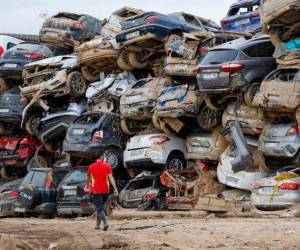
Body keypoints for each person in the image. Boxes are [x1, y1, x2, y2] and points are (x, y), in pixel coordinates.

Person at [86, 154, 118, 230]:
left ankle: (105, 222)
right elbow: (110, 177)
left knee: (99, 208)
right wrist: (115, 188)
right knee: (100, 208)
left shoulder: (91, 167)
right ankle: (97, 225)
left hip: (96, 191)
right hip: (105, 191)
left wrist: (88, 186)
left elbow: (88, 179)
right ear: (101, 157)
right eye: (104, 156)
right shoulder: (107, 166)